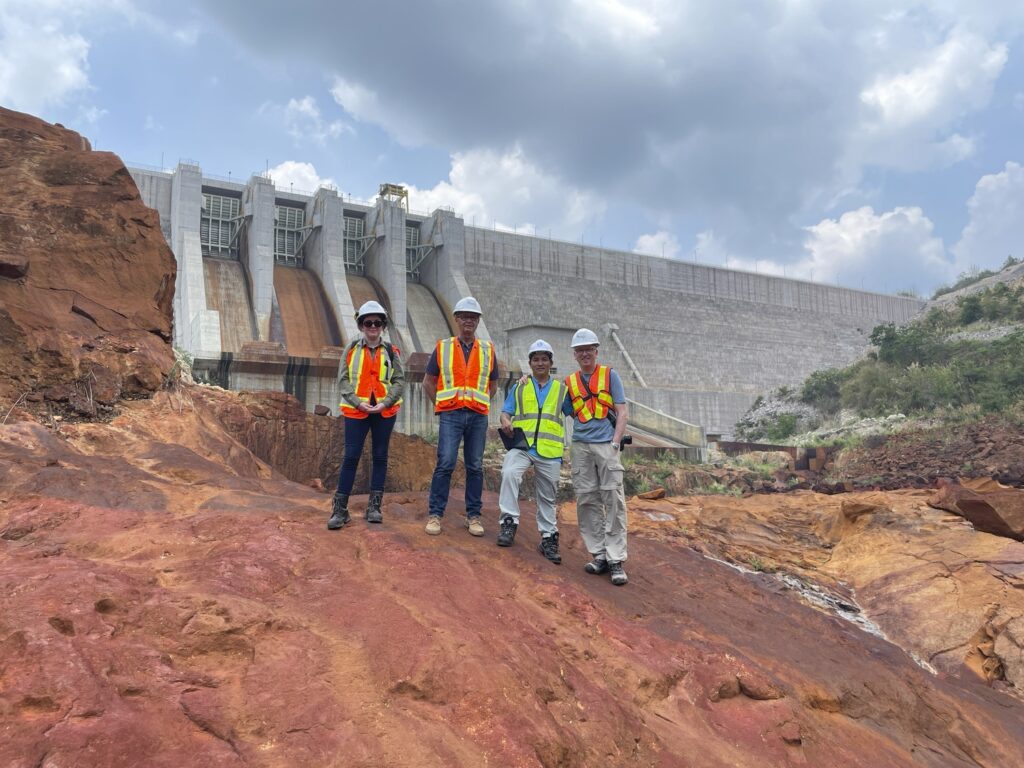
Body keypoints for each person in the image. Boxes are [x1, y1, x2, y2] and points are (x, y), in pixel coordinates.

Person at [422, 296, 498, 536]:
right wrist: (442, 406)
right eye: (464, 316)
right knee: (445, 463)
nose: (469, 321)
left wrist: (480, 402)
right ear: (456, 319)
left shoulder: (487, 349)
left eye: (473, 317)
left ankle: (473, 516)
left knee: (475, 466)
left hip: (477, 417)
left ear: (478, 321)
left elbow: (493, 385)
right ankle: (435, 515)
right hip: (451, 415)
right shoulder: (443, 347)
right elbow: (428, 382)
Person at [327, 300, 405, 529]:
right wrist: (358, 402)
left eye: (377, 323)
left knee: (380, 456)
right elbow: (342, 380)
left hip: (384, 411)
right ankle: (340, 510)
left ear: (383, 326)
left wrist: (385, 403)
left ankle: (374, 507)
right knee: (351, 456)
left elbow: (399, 381)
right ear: (361, 325)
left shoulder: (391, 351)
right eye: (368, 323)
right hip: (356, 410)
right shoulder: (351, 349)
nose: (372, 326)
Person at [563, 328, 630, 585]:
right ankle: (599, 554)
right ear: (575, 355)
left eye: (588, 349)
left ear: (596, 351)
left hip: (606, 445)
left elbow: (622, 411)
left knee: (613, 498)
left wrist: (615, 443)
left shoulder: (609, 375)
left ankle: (616, 559)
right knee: (587, 499)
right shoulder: (569, 383)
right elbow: (564, 408)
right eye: (580, 350)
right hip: (581, 446)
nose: (584, 354)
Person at [497, 339, 566, 563]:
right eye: (535, 359)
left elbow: (579, 412)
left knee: (547, 496)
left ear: (550, 363)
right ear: (530, 363)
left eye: (544, 359)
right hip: (523, 446)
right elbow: (505, 413)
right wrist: (506, 422)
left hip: (550, 450)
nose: (540, 363)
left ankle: (548, 537)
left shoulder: (562, 390)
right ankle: (509, 522)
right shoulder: (521, 386)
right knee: (509, 472)